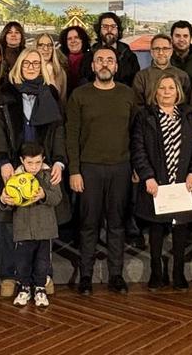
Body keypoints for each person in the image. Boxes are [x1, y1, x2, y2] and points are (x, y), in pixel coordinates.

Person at [0, 47, 67, 297]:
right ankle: (10, 276)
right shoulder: (5, 94)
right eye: (27, 63)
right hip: (13, 164)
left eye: (36, 63)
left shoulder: (50, 94)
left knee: (42, 222)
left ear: (42, 67)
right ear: (19, 67)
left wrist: (58, 162)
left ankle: (43, 276)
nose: (31, 67)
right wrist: (3, 161)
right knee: (9, 223)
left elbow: (58, 131)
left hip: (41, 166)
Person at [67, 45, 140, 294]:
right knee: (88, 224)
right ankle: (85, 276)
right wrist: (74, 171)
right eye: (100, 60)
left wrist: (135, 167)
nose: (105, 64)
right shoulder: (79, 95)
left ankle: (116, 275)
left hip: (121, 167)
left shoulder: (128, 94)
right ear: (93, 65)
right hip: (89, 169)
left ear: (116, 66)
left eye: (110, 60)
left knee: (117, 224)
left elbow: (135, 133)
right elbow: (72, 135)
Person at [130, 75, 192, 291]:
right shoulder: (145, 116)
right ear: (155, 92)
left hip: (183, 183)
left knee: (180, 229)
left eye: (171, 88)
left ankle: (178, 272)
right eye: (162, 87)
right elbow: (138, 149)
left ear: (177, 91)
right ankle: (156, 272)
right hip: (156, 183)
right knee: (156, 228)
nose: (166, 91)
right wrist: (147, 176)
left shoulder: (189, 115)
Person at [1, 142, 63, 308]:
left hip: (45, 229)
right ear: (22, 160)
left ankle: (40, 288)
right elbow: (8, 201)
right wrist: (3, 199)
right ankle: (24, 287)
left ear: (43, 159)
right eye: (29, 163)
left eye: (37, 162)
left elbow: (57, 198)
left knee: (43, 262)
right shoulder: (14, 178)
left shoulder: (50, 175)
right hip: (23, 229)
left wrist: (44, 195)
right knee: (23, 261)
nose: (34, 167)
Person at [82, 12, 140, 86]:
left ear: (118, 30)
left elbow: (134, 84)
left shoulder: (129, 56)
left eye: (113, 26)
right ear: (99, 30)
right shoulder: (89, 55)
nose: (109, 30)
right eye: (105, 26)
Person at [132, 33, 191, 105]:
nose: (161, 52)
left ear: (171, 51)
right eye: (157, 49)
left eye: (165, 48)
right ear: (151, 52)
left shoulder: (182, 76)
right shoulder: (141, 76)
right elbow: (137, 104)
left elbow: (186, 104)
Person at [57, 25, 91, 99]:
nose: (73, 41)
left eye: (76, 37)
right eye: (69, 39)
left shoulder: (92, 59)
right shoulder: (58, 60)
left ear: (83, 40)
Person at [34, 32, 68, 99]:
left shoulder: (60, 72)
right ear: (35, 47)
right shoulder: (29, 71)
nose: (46, 49)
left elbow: (63, 100)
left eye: (49, 45)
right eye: (41, 45)